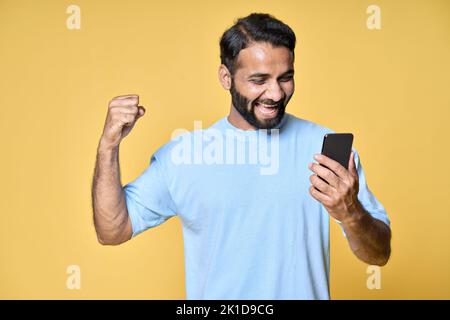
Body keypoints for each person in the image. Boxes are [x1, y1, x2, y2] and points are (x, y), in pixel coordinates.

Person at [92, 13, 391, 300]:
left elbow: (378, 254)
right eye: (259, 80)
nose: (275, 93)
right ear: (226, 77)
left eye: (285, 78)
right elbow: (112, 229)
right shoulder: (185, 156)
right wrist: (108, 146)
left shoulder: (325, 148)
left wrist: (350, 212)